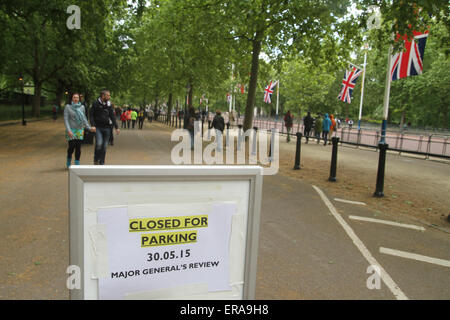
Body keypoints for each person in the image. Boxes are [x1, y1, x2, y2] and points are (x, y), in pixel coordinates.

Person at [64, 93, 96, 168]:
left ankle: (77, 163)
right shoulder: (68, 107)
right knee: (71, 146)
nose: (75, 99)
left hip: (79, 129)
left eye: (77, 97)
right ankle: (69, 159)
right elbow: (66, 120)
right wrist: (69, 130)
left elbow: (84, 118)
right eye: (74, 97)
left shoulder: (82, 107)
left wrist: (89, 127)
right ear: (72, 98)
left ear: (79, 99)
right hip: (71, 129)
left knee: (78, 147)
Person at [89, 90, 120, 165]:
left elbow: (112, 116)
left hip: (107, 128)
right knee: (99, 143)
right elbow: (91, 115)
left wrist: (116, 127)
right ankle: (96, 159)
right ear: (103, 96)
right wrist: (92, 125)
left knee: (105, 146)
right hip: (98, 127)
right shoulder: (95, 103)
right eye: (108, 95)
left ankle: (102, 161)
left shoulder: (109, 104)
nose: (109, 97)